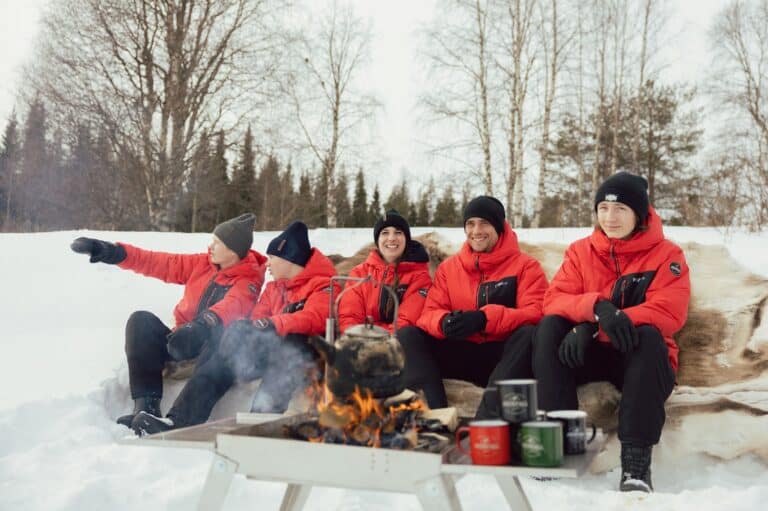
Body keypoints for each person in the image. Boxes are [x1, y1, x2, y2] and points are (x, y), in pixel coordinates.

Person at [532, 172, 689, 492]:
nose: (610, 217)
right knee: (550, 327)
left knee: (648, 335)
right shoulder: (580, 251)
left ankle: (635, 464)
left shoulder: (668, 256)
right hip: (589, 357)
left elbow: (669, 312)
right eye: (603, 208)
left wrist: (595, 325)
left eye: (620, 209)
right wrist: (595, 311)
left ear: (640, 214)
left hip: (640, 362)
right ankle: (558, 439)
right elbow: (554, 300)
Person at [131, 220, 339, 435]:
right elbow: (258, 318)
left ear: (289, 259)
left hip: (303, 359)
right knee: (224, 355)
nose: (267, 265)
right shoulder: (273, 288)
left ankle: (260, 421)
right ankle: (180, 420)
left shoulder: (324, 285)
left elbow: (314, 317)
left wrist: (271, 323)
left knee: (293, 343)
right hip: (269, 351)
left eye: (272, 259)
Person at [70, 213, 266, 427]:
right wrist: (114, 252)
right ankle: (146, 408)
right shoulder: (202, 264)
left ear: (233, 251)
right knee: (141, 321)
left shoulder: (248, 280)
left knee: (226, 344)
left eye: (217, 243)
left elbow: (234, 304)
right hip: (181, 342)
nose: (210, 246)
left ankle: (179, 420)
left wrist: (201, 325)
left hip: (211, 354)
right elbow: (157, 262)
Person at [400, 196, 548, 418]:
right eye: (470, 224)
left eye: (484, 223)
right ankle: (438, 415)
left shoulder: (527, 266)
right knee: (408, 334)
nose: (476, 230)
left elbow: (536, 313)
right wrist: (444, 322)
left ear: (500, 226)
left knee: (529, 334)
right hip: (461, 352)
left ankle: (487, 419)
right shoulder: (449, 268)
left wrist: (484, 319)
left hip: (503, 359)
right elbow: (428, 314)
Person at [337, 209, 432, 335]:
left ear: (406, 239)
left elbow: (406, 321)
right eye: (385, 233)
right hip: (359, 341)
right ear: (377, 240)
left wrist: (378, 342)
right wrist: (358, 338)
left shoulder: (419, 277)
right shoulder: (360, 273)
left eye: (398, 232)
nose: (391, 238)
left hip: (396, 347)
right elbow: (349, 316)